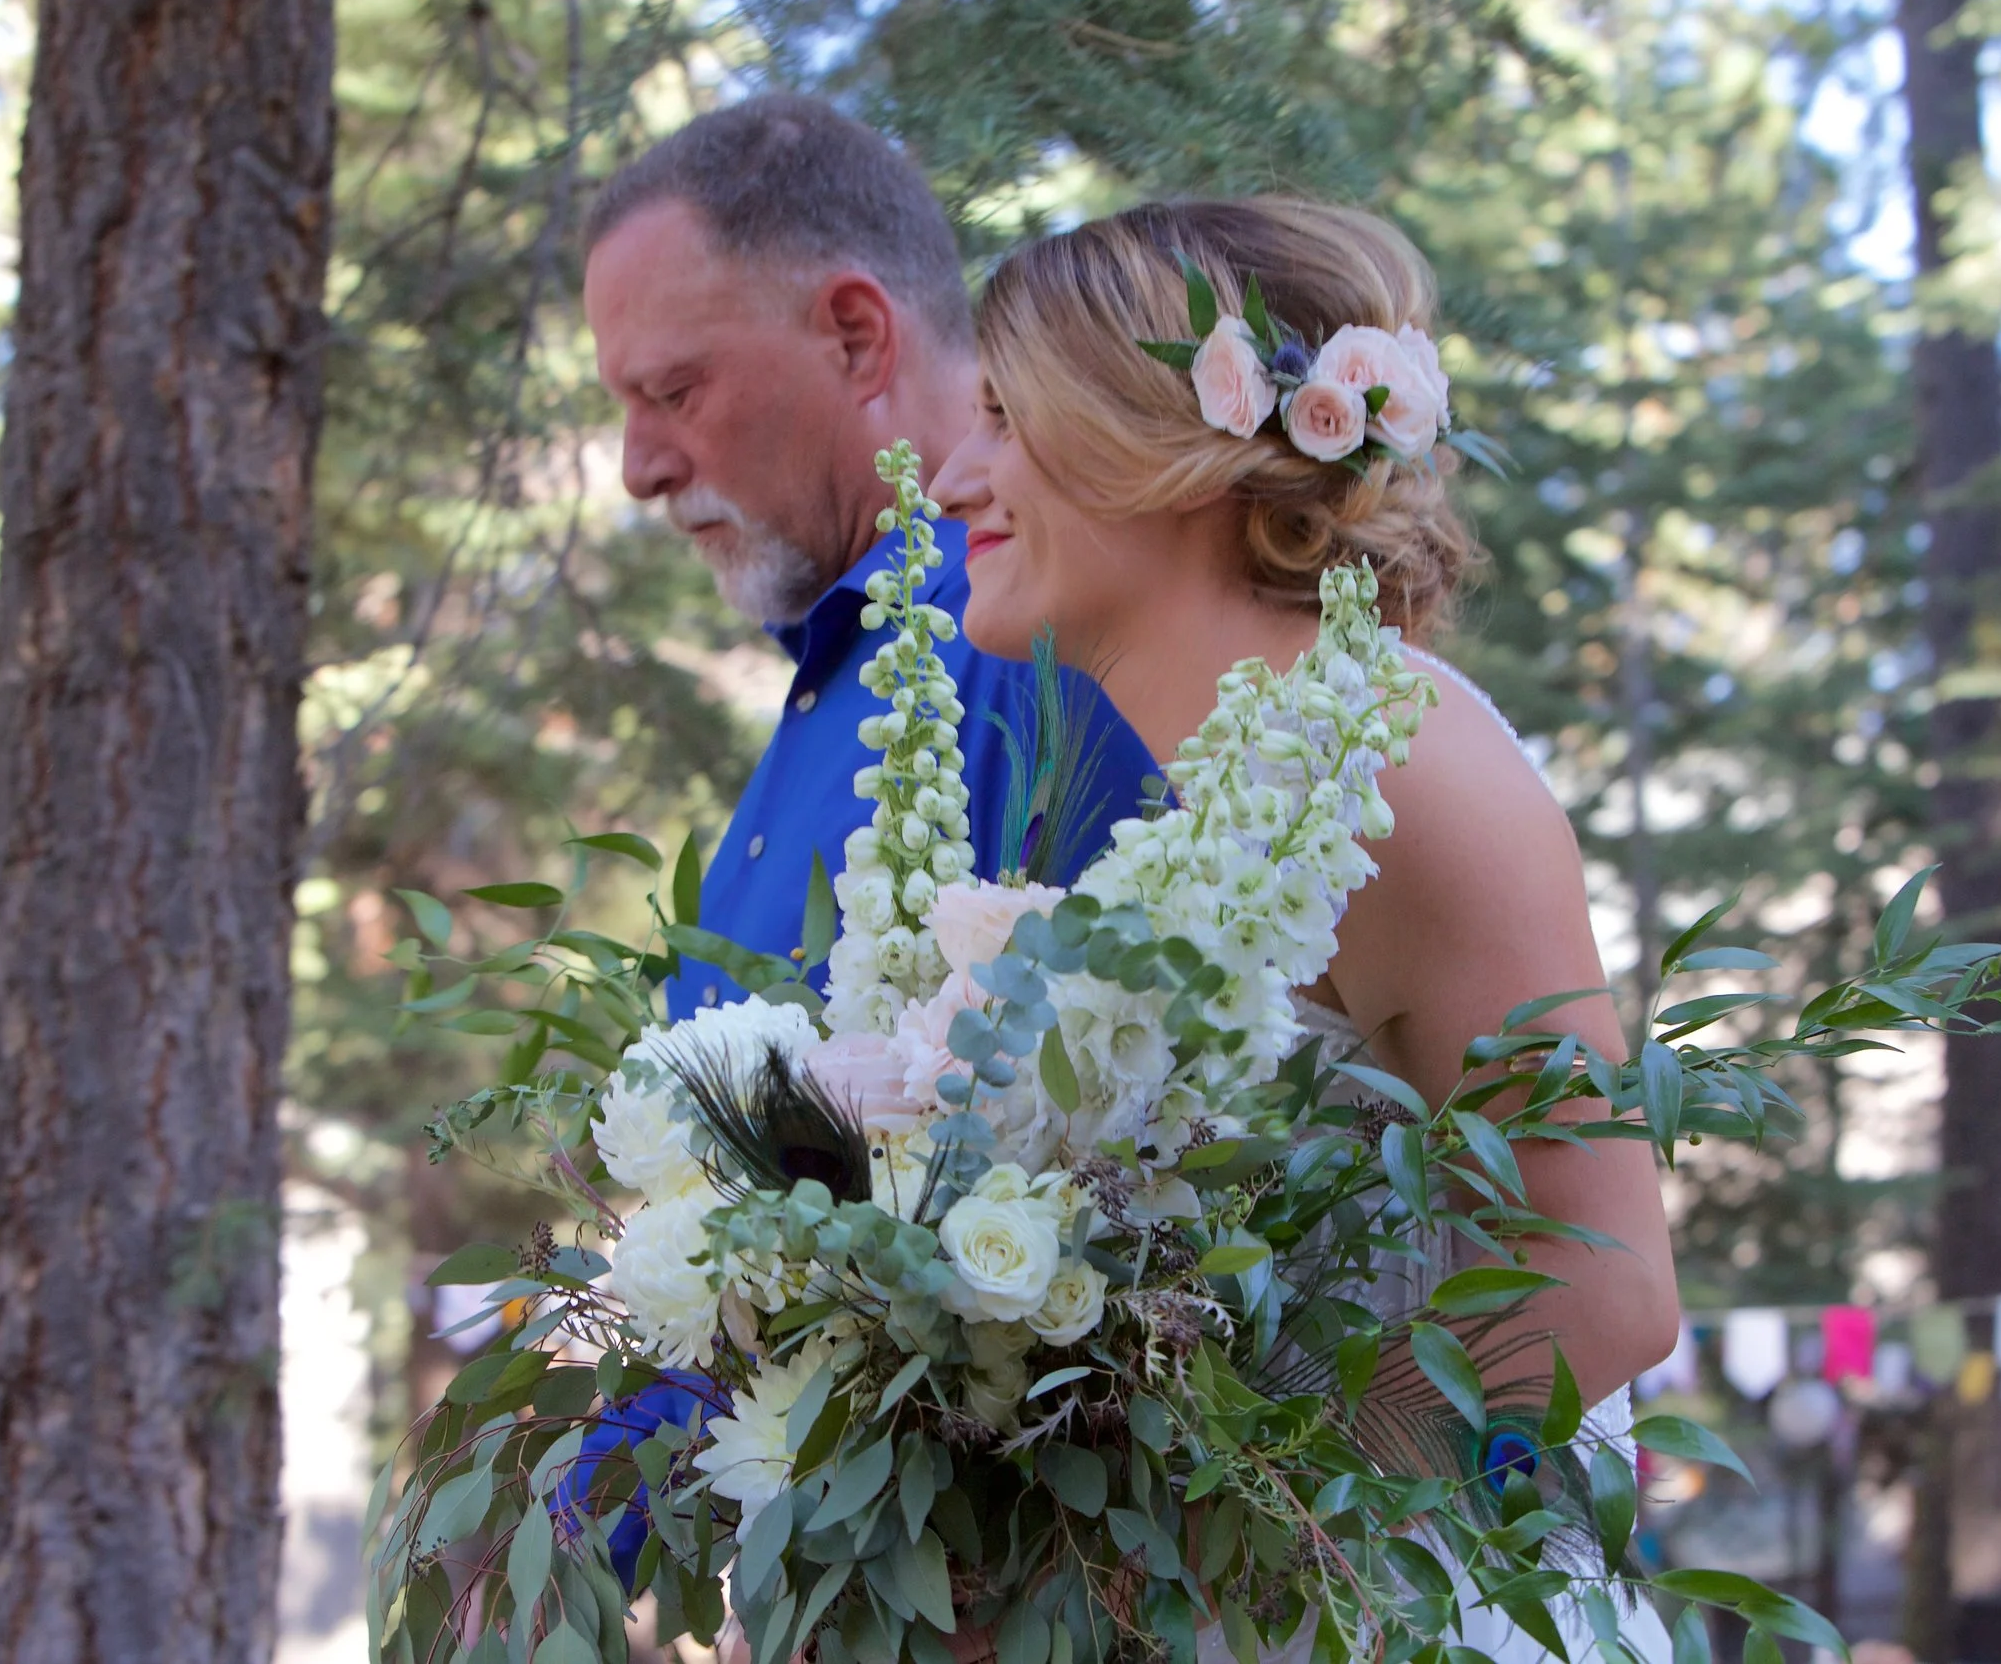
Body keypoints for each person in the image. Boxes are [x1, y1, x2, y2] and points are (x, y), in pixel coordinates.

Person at [928, 196, 1680, 1660]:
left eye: (1008, 416)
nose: (958, 474)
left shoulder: (1403, 761)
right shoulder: (1194, 802)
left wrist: (1194, 1536)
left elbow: (1605, 1280)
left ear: (1166, 441)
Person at [563, 95, 1158, 1571]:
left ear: (853, 333)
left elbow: (1110, 1188)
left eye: (674, 391)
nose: (638, 465)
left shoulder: (1039, 645)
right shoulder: (843, 669)